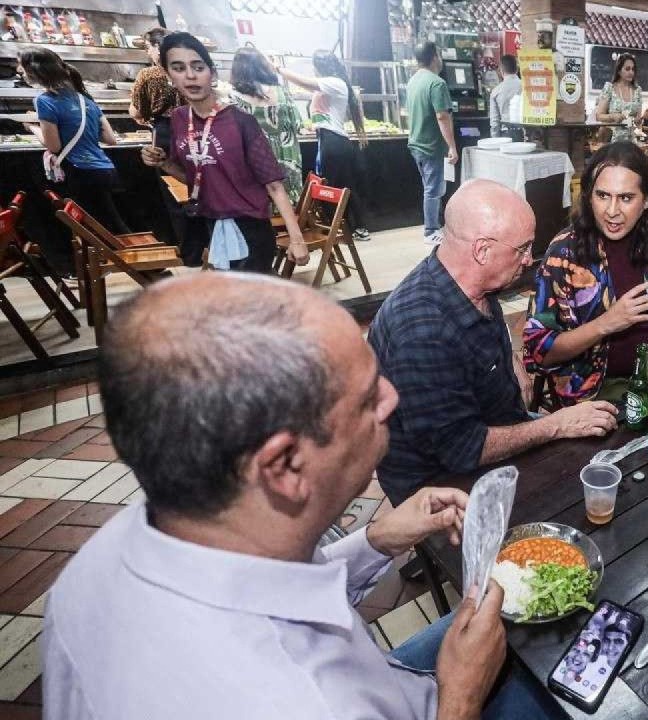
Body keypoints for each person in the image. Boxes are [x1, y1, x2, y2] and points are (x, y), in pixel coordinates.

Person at [43, 272, 566, 720]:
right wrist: (460, 697)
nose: (393, 398)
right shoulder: (301, 700)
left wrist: (377, 539)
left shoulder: (111, 553)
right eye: (367, 398)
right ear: (286, 466)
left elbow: (272, 590)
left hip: (392, 679)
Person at [370, 179, 619, 503]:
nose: (529, 259)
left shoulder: (469, 280)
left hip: (492, 429)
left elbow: (481, 328)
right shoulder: (422, 334)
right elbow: (463, 450)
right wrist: (555, 425)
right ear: (482, 250)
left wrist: (510, 362)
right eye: (522, 248)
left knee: (598, 451)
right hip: (442, 483)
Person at [524, 141, 648, 406]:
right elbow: (539, 352)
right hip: (594, 393)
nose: (612, 211)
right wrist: (607, 323)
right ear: (588, 196)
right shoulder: (564, 253)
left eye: (626, 198)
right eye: (603, 195)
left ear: (647, 200)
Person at [141, 32, 307, 273]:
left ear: (212, 72)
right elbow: (195, 177)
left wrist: (297, 239)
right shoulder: (178, 119)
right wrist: (164, 164)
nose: (190, 75)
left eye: (198, 67)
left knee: (252, 302)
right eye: (178, 68)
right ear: (169, 75)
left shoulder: (241, 121)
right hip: (211, 223)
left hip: (250, 226)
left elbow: (274, 185)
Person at [19, 46, 130, 274]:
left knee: (94, 229)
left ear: (35, 73)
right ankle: (130, 265)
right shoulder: (85, 99)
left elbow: (54, 146)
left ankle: (119, 268)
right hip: (106, 170)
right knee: (111, 223)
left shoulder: (45, 101)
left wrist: (33, 128)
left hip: (79, 172)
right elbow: (111, 139)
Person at [277, 50, 371, 243]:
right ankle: (347, 227)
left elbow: (304, 82)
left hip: (334, 142)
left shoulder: (334, 82)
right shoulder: (328, 85)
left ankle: (343, 228)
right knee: (340, 186)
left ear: (319, 66)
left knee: (333, 188)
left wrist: (277, 68)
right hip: (329, 140)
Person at [228, 47, 303, 205]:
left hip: (257, 165)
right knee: (290, 209)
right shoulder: (282, 92)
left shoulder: (233, 98)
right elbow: (298, 125)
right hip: (288, 163)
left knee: (263, 208)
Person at [404, 42, 458, 246]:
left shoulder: (413, 81)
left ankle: (434, 225)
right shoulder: (437, 83)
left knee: (430, 187)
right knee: (434, 190)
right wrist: (452, 146)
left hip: (416, 143)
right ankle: (431, 230)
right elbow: (442, 116)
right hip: (431, 145)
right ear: (435, 57)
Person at [128, 27, 181, 151]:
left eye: (148, 47)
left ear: (157, 46)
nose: (148, 52)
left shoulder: (148, 74)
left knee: (166, 166)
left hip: (164, 133)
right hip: (193, 131)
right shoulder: (186, 70)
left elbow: (136, 112)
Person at [596, 53, 642, 143]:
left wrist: (638, 121)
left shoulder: (637, 90)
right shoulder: (609, 88)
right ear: (619, 71)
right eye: (627, 69)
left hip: (630, 141)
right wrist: (613, 116)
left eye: (633, 69)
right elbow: (599, 116)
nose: (631, 72)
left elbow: (638, 119)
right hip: (611, 141)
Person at [488, 54, 521, 139]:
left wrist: (495, 141)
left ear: (501, 71)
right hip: (527, 134)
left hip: (506, 135)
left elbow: (495, 122)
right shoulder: (527, 87)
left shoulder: (496, 91)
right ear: (517, 70)